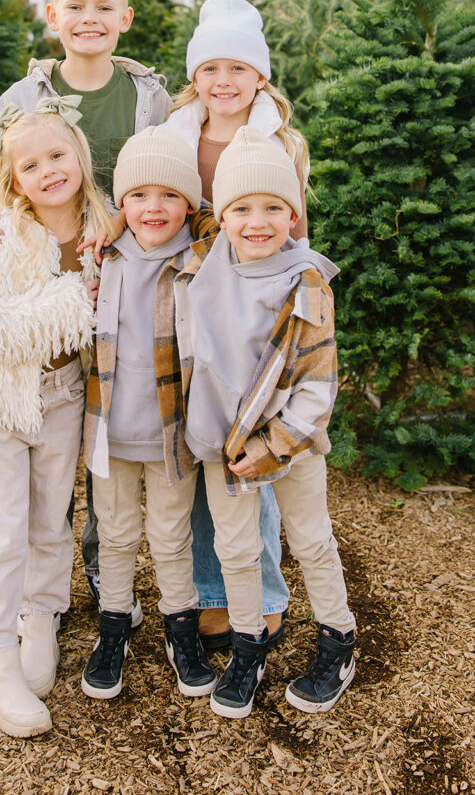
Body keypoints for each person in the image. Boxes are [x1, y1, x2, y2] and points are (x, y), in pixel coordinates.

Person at [0, 0, 171, 612]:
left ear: (124, 20)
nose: (89, 19)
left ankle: (105, 568)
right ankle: (29, 599)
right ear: (53, 18)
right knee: (50, 441)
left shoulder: (146, 98)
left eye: (103, 8)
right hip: (43, 292)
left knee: (108, 435)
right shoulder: (19, 100)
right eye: (74, 7)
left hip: (120, 290)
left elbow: (167, 181)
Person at [175, 127, 356, 719]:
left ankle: (338, 639)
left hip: (290, 444)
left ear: (294, 213)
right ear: (221, 216)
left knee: (309, 540)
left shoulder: (306, 285)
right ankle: (248, 647)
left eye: (274, 207)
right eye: (242, 208)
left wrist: (273, 448)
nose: (258, 222)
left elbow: (316, 390)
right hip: (221, 443)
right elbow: (162, 212)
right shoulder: (207, 260)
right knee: (237, 550)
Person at [0, 97, 114, 737]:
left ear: (79, 154)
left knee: (52, 512)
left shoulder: (105, 225)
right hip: (0, 395)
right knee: (3, 521)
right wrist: (75, 297)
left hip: (64, 389)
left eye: (57, 155)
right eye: (30, 164)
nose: (48, 170)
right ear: (11, 179)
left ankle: (41, 614)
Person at [160, 0, 308, 650]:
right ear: (193, 76)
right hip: (187, 309)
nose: (223, 80)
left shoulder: (280, 142)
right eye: (210, 66)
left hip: (249, 313)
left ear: (260, 77)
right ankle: (214, 592)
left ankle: (266, 593)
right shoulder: (171, 137)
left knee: (249, 454)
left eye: (238, 68)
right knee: (197, 453)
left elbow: (291, 228)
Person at [80, 128, 216, 701]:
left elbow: (226, 219)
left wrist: (203, 211)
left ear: (189, 202)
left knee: (170, 535)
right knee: (114, 535)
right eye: (138, 195)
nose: (153, 208)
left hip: (171, 432)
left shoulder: (202, 254)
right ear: (121, 204)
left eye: (169, 195)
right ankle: (113, 628)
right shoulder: (104, 255)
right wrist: (109, 223)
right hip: (110, 429)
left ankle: (179, 628)